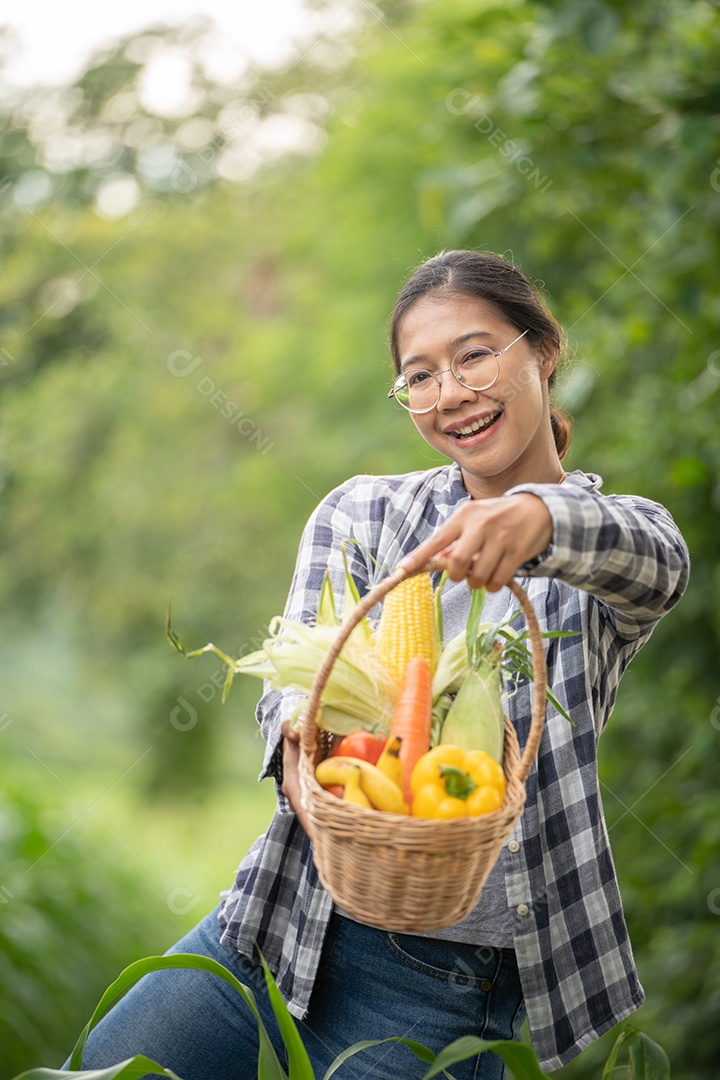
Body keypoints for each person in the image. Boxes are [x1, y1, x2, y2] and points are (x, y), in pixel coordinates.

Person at [72, 250, 689, 1078]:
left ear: (541, 353)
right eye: (420, 376)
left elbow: (660, 560)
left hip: (449, 987)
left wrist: (539, 519)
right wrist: (299, 750)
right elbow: (297, 690)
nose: (452, 395)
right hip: (283, 918)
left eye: (475, 356)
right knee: (105, 1064)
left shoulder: (604, 545)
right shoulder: (365, 512)